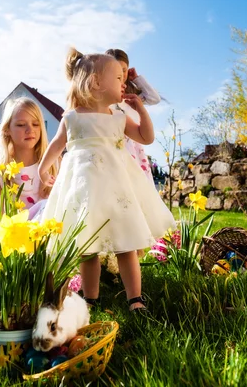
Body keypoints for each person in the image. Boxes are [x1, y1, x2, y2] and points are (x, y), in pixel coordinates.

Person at [39, 48, 176, 312]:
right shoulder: (72, 117)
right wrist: (43, 170)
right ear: (96, 83)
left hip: (116, 188)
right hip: (84, 190)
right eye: (117, 78)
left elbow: (146, 138)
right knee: (87, 247)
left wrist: (141, 111)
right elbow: (57, 145)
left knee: (126, 243)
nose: (123, 83)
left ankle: (134, 298)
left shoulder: (119, 117)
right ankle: (91, 297)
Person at [0, 97, 56, 220]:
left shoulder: (54, 163)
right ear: (7, 130)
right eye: (21, 125)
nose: (30, 130)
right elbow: (1, 220)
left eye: (35, 124)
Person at [105, 48, 162, 183]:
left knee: (138, 186)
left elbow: (154, 98)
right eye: (115, 70)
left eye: (124, 70)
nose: (120, 74)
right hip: (114, 148)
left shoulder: (131, 98)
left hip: (134, 148)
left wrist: (136, 79)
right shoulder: (105, 98)